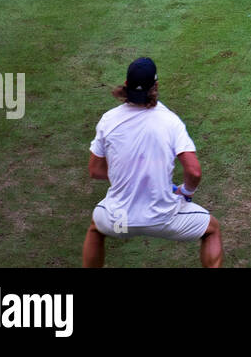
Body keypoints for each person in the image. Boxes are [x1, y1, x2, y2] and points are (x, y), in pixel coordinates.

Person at [82, 57, 223, 267]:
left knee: (96, 228)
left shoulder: (108, 120)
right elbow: (194, 171)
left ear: (126, 85)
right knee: (212, 229)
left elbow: (95, 170)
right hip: (164, 221)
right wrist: (185, 192)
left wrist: (127, 172)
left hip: (119, 222)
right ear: (155, 87)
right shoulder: (170, 121)